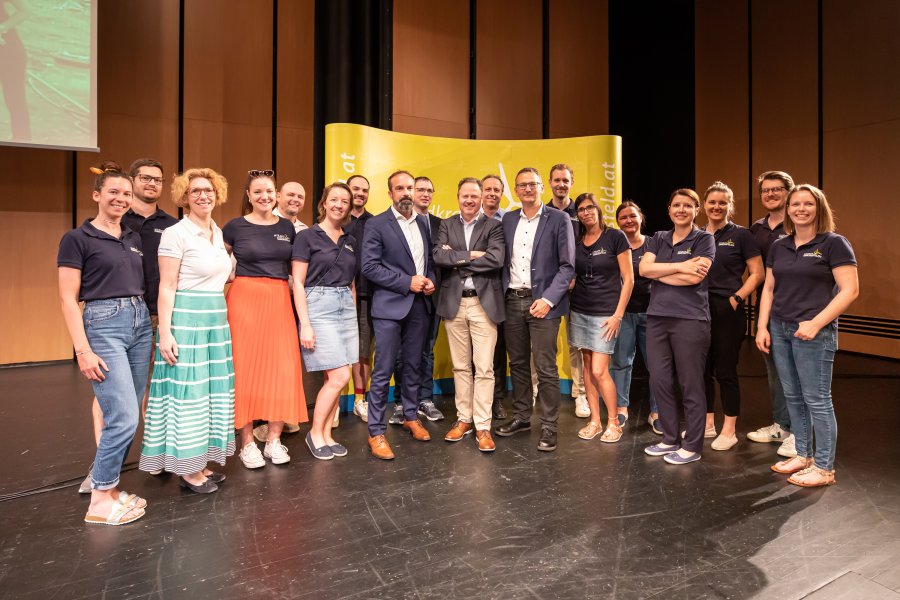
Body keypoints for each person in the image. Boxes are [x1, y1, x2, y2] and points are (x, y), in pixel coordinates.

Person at [58, 161, 151, 524]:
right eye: (113, 192)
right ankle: (99, 502)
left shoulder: (132, 237)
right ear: (96, 195)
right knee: (122, 415)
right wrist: (82, 350)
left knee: (131, 413)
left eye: (126, 193)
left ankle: (109, 489)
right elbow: (67, 299)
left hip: (140, 323)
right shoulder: (77, 238)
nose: (120, 198)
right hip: (103, 323)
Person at [78, 158, 178, 492]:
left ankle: (153, 454)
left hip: (157, 315)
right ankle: (103, 465)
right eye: (145, 178)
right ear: (132, 181)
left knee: (152, 390)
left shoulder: (171, 225)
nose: (151, 183)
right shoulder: (118, 220)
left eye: (158, 179)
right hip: (114, 318)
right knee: (110, 393)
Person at [139, 167, 235, 494]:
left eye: (208, 190)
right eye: (196, 191)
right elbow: (166, 287)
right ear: (185, 196)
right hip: (187, 321)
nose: (203, 196)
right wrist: (165, 333)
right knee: (189, 396)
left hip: (215, 322)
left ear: (217, 195)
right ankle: (188, 470)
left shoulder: (217, 232)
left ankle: (200, 462)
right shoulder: (175, 233)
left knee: (209, 394)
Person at [756, 184, 858, 487]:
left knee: (817, 399)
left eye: (808, 204)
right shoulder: (780, 245)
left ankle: (824, 468)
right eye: (795, 204)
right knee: (793, 396)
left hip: (814, 332)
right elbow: (769, 289)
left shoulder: (834, 243)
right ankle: (803, 455)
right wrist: (762, 326)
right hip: (780, 328)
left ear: (819, 208)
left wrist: (815, 323)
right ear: (788, 210)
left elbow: (850, 290)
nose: (801, 209)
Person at [223, 170, 306, 469]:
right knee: (244, 370)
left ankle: (273, 440)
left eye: (269, 191)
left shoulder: (287, 227)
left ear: (276, 194)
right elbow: (218, 264)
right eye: (257, 191)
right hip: (243, 300)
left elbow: (297, 271)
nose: (264, 196)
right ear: (248, 195)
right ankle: (247, 443)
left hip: (279, 300)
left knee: (282, 369)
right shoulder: (234, 227)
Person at [494, 167, 575, 452]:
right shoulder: (508, 219)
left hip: (543, 304)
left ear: (542, 187)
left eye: (533, 184)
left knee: (545, 367)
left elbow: (567, 267)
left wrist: (548, 299)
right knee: (517, 364)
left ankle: (550, 425)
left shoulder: (559, 219)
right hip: (512, 301)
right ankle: (522, 417)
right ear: (516, 190)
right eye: (522, 185)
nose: (528, 189)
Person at [361, 170, 437, 460]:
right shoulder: (377, 224)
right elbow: (369, 267)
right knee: (383, 371)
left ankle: (410, 416)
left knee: (413, 366)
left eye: (410, 188)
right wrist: (407, 282)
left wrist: (430, 281)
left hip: (419, 306)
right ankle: (376, 431)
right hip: (389, 308)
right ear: (390, 193)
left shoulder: (423, 223)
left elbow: (428, 262)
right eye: (400, 188)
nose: (406, 193)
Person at [640, 189, 715, 465]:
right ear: (669, 209)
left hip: (690, 319)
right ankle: (670, 438)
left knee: (690, 382)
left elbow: (695, 278)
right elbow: (643, 270)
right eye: (676, 205)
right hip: (657, 317)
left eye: (687, 205)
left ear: (696, 210)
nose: (681, 210)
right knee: (660, 379)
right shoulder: (658, 237)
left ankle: (692, 445)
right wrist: (681, 266)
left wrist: (661, 271)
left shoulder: (704, 238)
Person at [433, 177, 505, 452]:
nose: (470, 200)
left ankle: (483, 425)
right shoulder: (447, 224)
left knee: (484, 368)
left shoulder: (494, 225)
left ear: (481, 198)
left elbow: (495, 259)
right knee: (461, 367)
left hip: (483, 304)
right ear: (458, 197)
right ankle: (464, 419)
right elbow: (439, 257)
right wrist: (473, 255)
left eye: (475, 196)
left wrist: (457, 259)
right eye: (465, 196)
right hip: (454, 303)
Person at [292, 182, 358, 460]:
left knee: (338, 378)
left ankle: (328, 435)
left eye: (344, 201)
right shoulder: (307, 236)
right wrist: (305, 323)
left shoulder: (350, 240)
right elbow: (298, 282)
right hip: (318, 306)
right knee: (340, 376)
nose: (339, 205)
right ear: (324, 203)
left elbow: (352, 282)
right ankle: (315, 433)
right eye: (334, 199)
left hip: (346, 306)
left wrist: (352, 311)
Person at [702, 182, 763, 451]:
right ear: (704, 205)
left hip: (727, 309)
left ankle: (729, 430)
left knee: (725, 371)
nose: (717, 207)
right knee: (702, 370)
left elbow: (758, 273)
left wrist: (736, 299)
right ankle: (707, 424)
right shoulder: (695, 234)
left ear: (730, 206)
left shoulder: (741, 235)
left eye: (722, 202)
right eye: (712, 202)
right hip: (697, 309)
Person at [568, 193, 633, 443]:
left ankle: (613, 422)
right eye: (581, 209)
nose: (586, 212)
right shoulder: (577, 240)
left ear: (598, 209)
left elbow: (629, 279)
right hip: (579, 310)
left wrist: (618, 315)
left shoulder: (616, 237)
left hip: (606, 314)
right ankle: (595, 421)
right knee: (587, 367)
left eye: (590, 208)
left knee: (599, 370)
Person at [253, 179, 309, 443]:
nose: (295, 200)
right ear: (278, 196)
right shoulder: (260, 222)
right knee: (260, 362)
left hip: (290, 303)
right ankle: (260, 420)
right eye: (290, 195)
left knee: (284, 364)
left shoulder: (304, 230)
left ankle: (280, 415)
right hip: (262, 301)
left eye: (300, 196)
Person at [747, 171, 797, 458]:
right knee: (775, 371)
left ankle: (800, 432)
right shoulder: (757, 229)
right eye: (765, 190)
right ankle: (782, 426)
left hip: (797, 309)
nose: (770, 194)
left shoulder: (801, 222)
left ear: (789, 192)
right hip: (768, 309)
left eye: (777, 189)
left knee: (798, 374)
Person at [389, 175, 444, 423]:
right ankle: (401, 402)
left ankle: (425, 399)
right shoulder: (395, 223)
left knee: (426, 351)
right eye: (419, 189)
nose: (424, 194)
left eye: (429, 190)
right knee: (401, 354)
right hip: (401, 297)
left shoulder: (440, 224)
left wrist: (432, 281)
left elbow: (438, 261)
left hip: (431, 299)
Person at [610, 201, 660, 434]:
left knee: (656, 364)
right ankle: (621, 408)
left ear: (641, 218)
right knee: (621, 362)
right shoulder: (615, 244)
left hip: (652, 312)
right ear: (617, 222)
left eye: (632, 216)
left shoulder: (654, 243)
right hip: (623, 313)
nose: (628, 221)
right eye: (623, 217)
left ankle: (657, 411)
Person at [546, 164, 587, 417]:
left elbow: (586, 248)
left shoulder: (581, 212)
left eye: (565, 180)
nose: (561, 184)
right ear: (550, 183)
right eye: (557, 180)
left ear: (572, 183)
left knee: (576, 344)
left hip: (576, 289)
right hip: (548, 290)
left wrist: (574, 277)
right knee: (543, 344)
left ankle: (580, 393)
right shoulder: (542, 212)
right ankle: (536, 389)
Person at [481, 174, 508, 419]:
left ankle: (496, 399)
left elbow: (500, 259)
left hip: (502, 292)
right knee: (474, 354)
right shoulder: (468, 219)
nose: (492, 193)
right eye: (487, 189)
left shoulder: (509, 220)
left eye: (496, 190)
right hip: (473, 293)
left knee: (498, 351)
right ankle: (476, 401)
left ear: (502, 193)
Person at [347, 174, 373, 422]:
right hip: (336, 297)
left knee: (363, 352)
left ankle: (359, 400)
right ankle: (333, 404)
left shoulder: (375, 223)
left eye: (364, 190)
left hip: (366, 297)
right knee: (334, 352)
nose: (360, 193)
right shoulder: (334, 221)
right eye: (356, 189)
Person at [0, 0, 30, 140]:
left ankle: (23, 143)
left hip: (9, 52)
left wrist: (2, 27)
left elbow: (24, 11)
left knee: (15, 101)